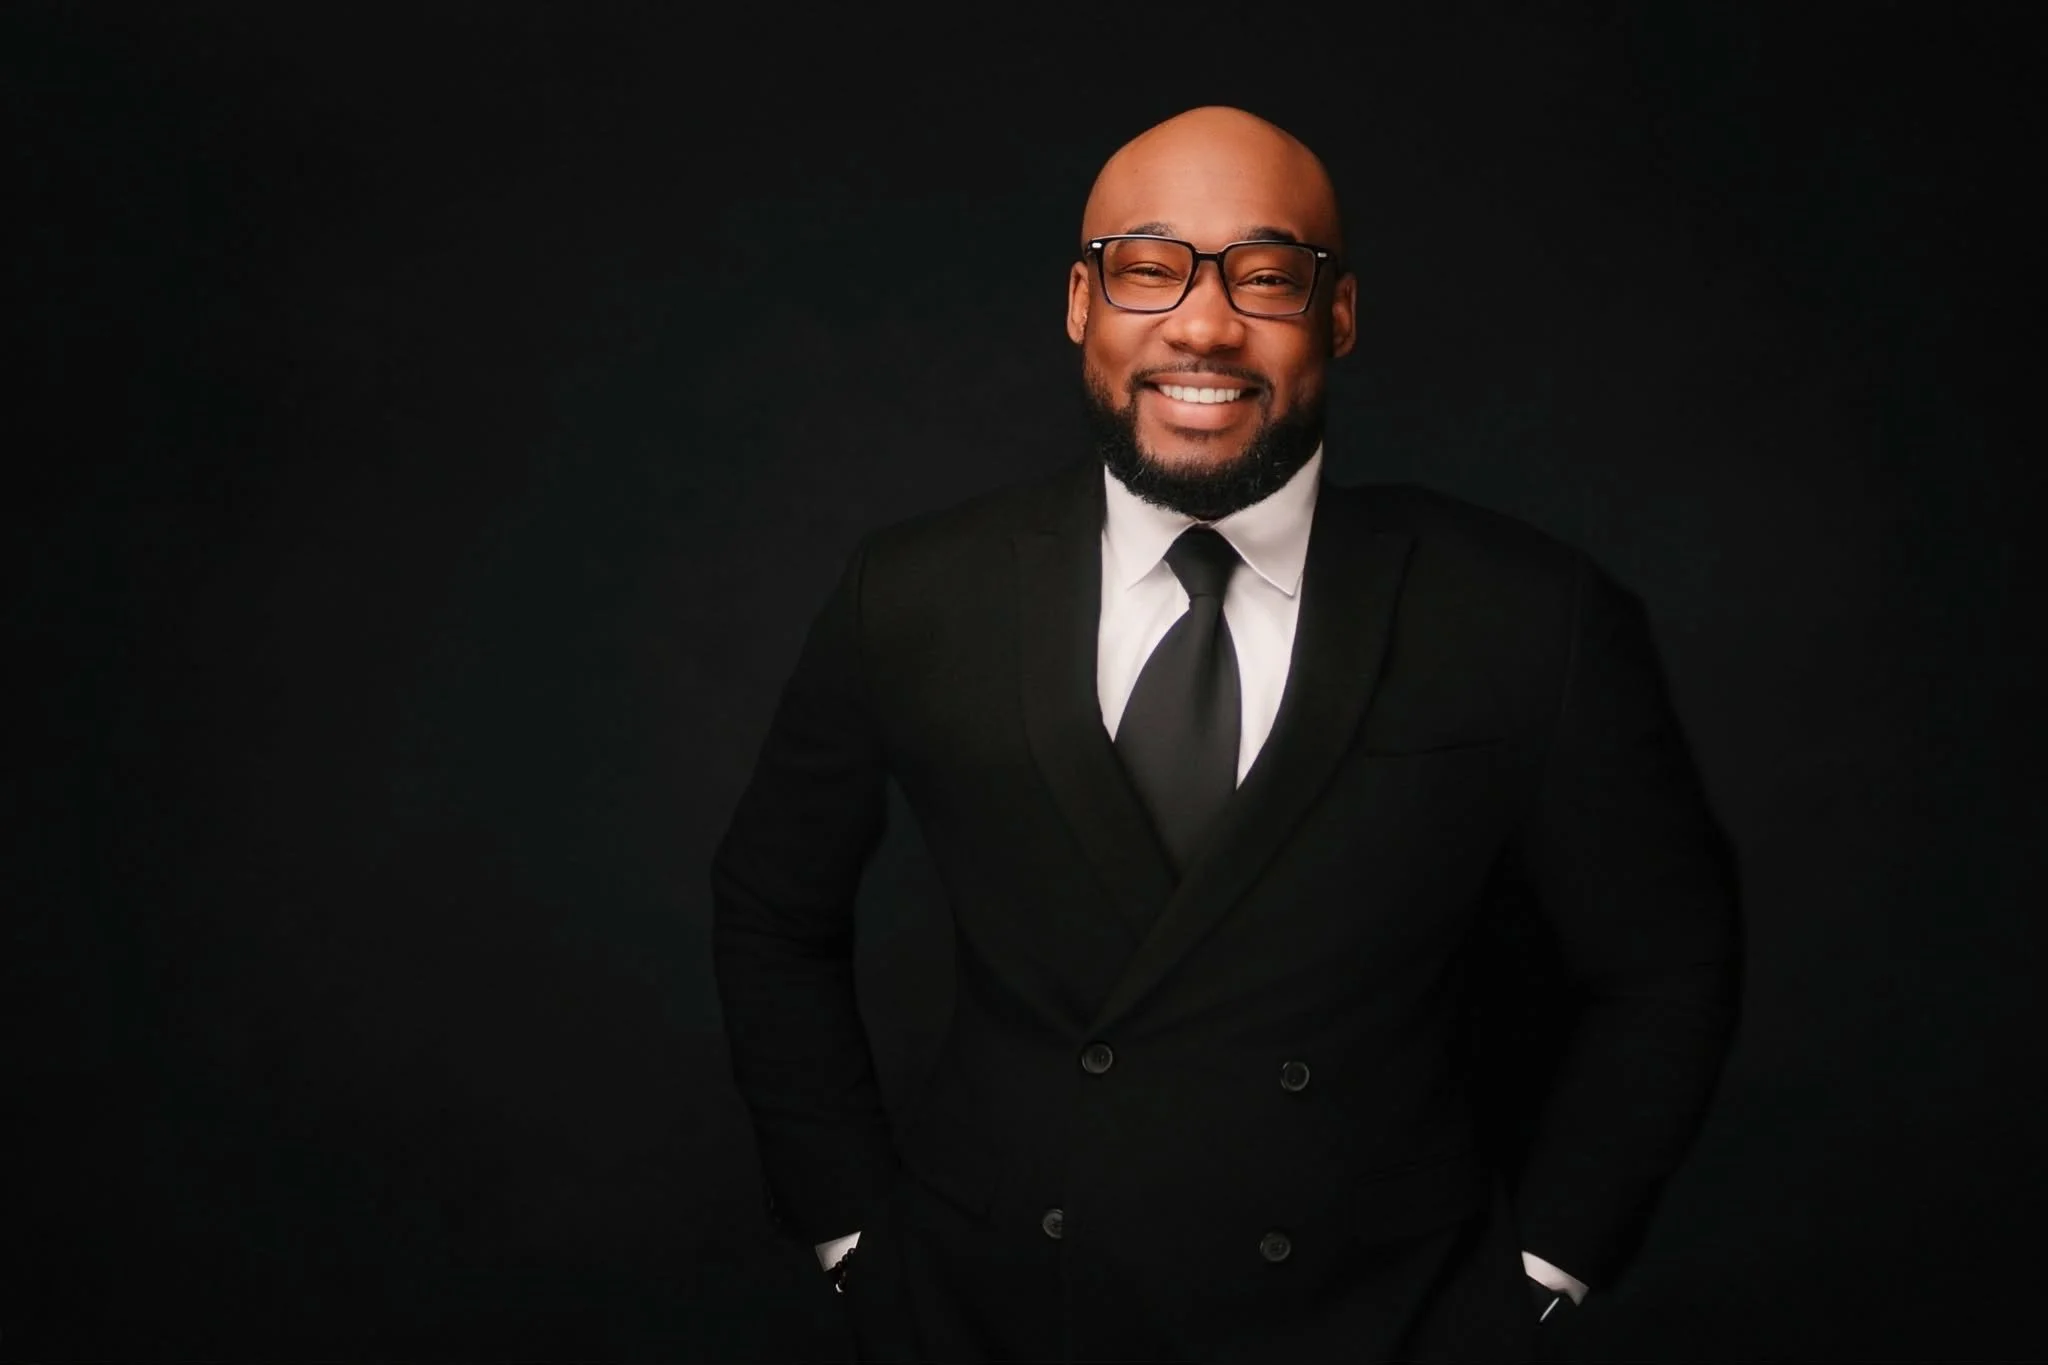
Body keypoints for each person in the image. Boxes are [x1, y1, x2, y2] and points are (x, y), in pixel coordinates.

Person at [711, 105, 1742, 1363]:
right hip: (991, 1315)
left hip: (1382, 1321)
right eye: (1147, 268)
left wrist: (1541, 1272)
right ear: (1079, 302)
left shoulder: (1527, 613)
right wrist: (848, 1237)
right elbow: (771, 909)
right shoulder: (914, 593)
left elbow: (1664, 963)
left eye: (1265, 275)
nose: (1201, 325)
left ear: (1338, 315)